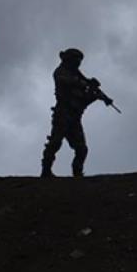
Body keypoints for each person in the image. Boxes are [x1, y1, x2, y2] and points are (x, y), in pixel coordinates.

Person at [41, 48, 115, 178]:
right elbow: (66, 81)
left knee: (81, 149)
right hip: (62, 114)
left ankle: (77, 173)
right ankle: (46, 171)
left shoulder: (77, 77)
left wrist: (96, 95)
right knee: (55, 142)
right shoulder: (61, 72)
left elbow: (84, 101)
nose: (78, 63)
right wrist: (86, 83)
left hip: (75, 117)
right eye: (75, 59)